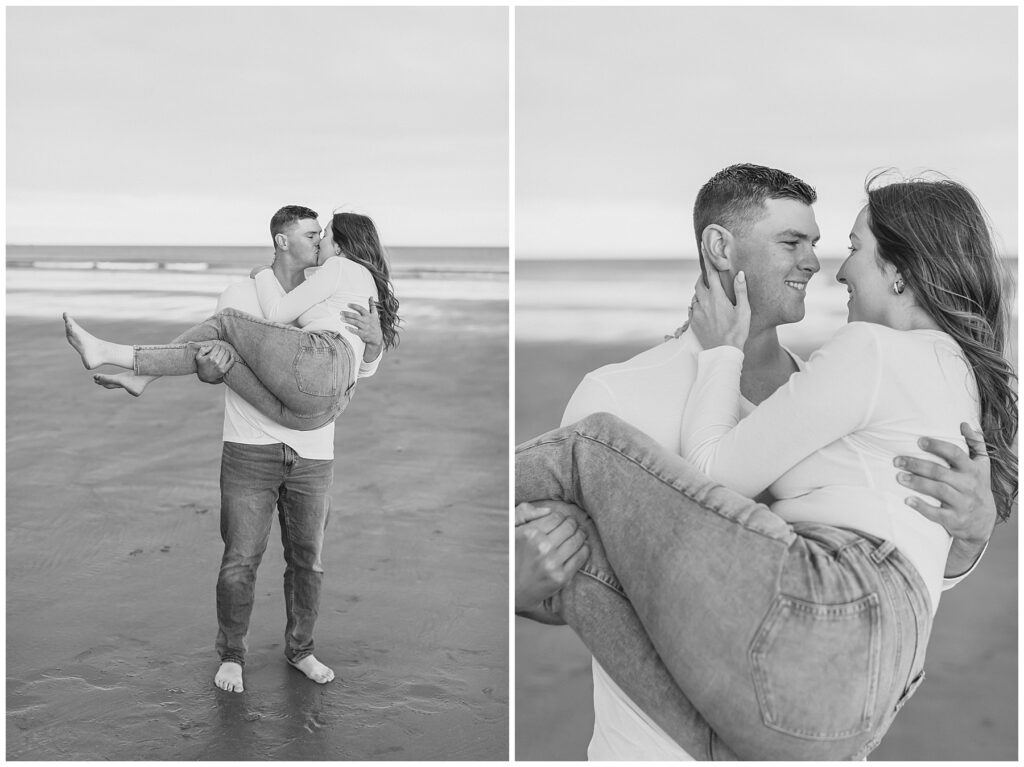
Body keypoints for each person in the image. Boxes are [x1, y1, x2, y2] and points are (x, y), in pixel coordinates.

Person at [515, 168, 1012, 759]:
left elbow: (885, 545)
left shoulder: (828, 387)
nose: (819, 264)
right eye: (791, 243)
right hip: (658, 749)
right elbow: (561, 567)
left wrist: (969, 535)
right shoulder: (620, 392)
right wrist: (514, 581)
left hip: (816, 677)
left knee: (586, 452)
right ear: (720, 248)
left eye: (828, 245)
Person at [63, 211, 401, 432]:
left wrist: (264, 274)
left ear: (340, 246)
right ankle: (142, 377)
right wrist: (373, 345)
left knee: (226, 322)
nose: (319, 242)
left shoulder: (339, 267)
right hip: (322, 409)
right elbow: (360, 368)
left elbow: (277, 314)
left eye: (324, 235)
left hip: (323, 368)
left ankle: (112, 353)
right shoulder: (351, 285)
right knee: (222, 347)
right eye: (313, 235)